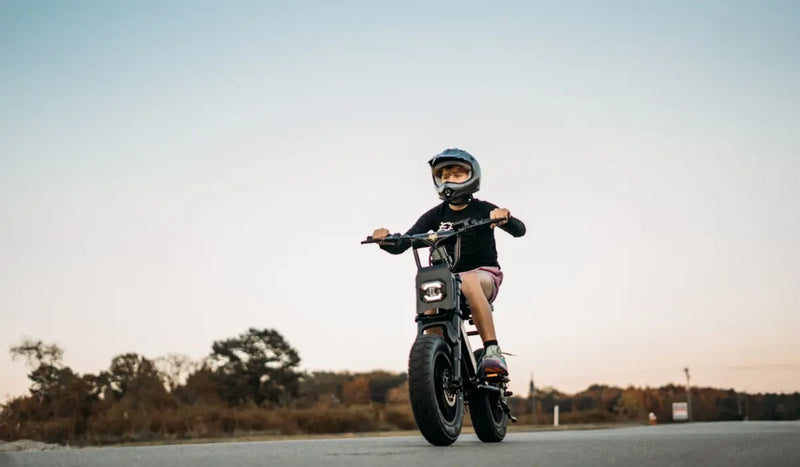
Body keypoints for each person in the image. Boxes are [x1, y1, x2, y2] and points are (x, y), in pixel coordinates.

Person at [371, 148, 526, 380]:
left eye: (456, 175)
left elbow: (519, 230)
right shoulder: (434, 216)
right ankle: (432, 360)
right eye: (443, 176)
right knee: (430, 295)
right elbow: (405, 242)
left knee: (469, 279)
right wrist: (385, 239)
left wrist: (504, 217)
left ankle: (493, 351)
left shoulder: (482, 208)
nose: (449, 180)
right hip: (445, 283)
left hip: (483, 277)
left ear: (471, 176)